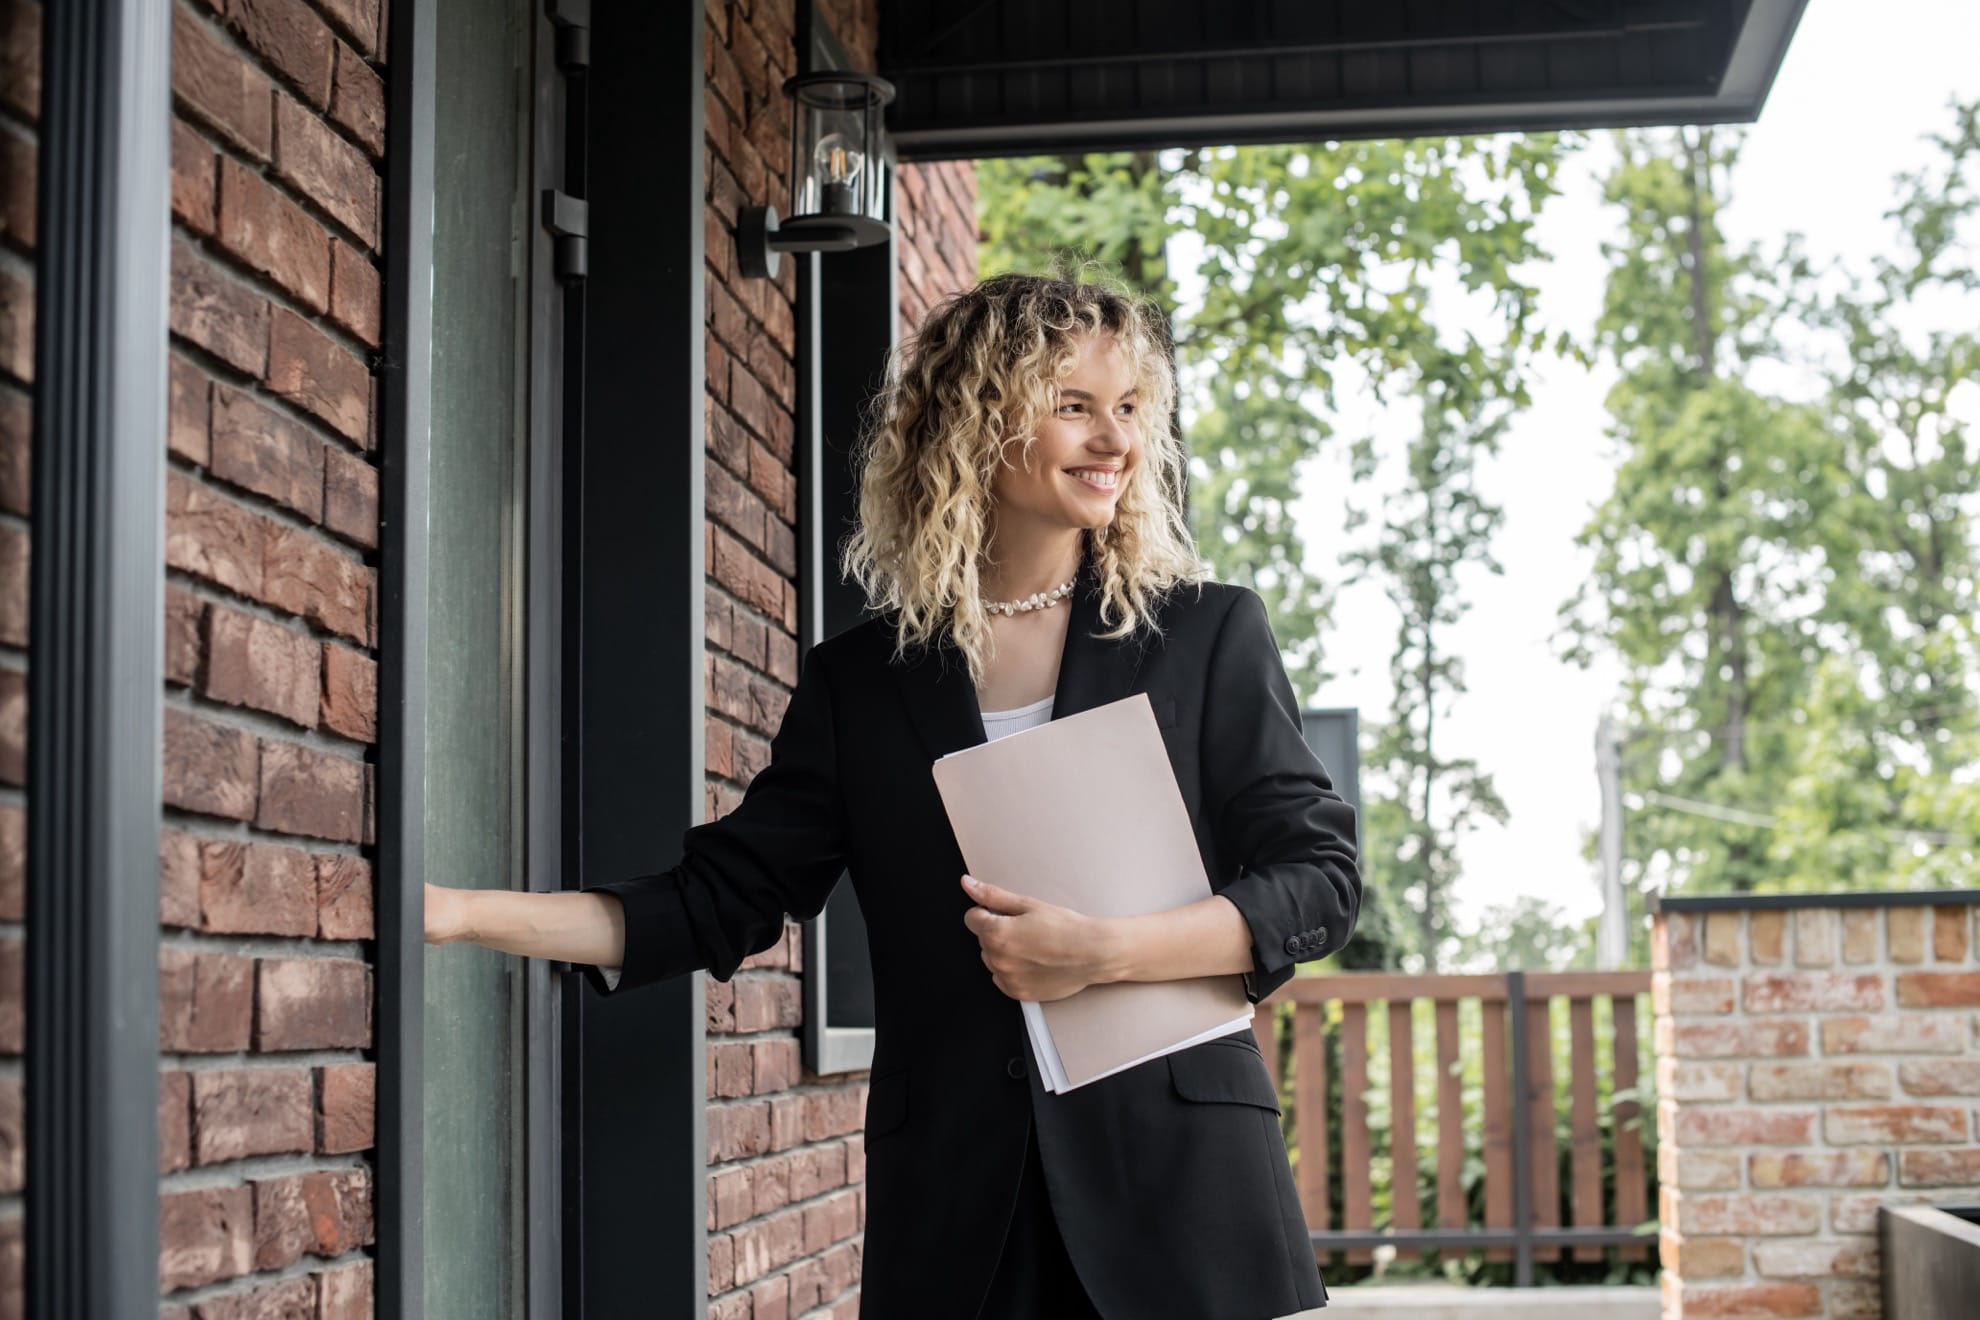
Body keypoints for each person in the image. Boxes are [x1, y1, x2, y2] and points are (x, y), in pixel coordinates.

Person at [425, 273, 1361, 1320]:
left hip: (1186, 1198)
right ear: (974, 422)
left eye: (1132, 408)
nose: (1117, 441)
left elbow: (1319, 881)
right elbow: (714, 901)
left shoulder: (1204, 633)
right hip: (962, 1216)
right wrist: (457, 917)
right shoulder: (861, 686)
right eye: (1074, 405)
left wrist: (1106, 954)